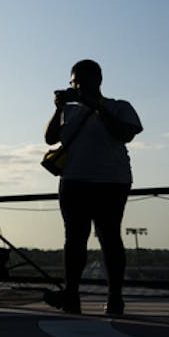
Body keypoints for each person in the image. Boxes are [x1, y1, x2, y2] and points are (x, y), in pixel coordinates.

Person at [42, 59, 142, 316]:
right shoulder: (69, 111)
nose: (77, 87)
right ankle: (71, 296)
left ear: (97, 81)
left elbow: (124, 134)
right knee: (74, 240)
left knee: (109, 238)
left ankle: (115, 298)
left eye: (80, 82)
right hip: (74, 180)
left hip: (111, 182)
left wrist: (97, 107)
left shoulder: (119, 107)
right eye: (73, 83)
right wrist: (58, 108)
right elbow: (50, 138)